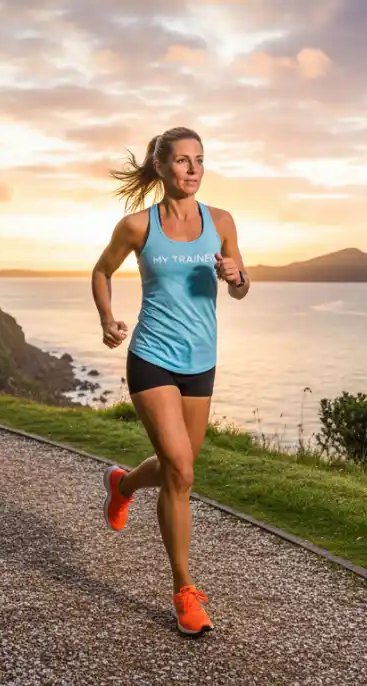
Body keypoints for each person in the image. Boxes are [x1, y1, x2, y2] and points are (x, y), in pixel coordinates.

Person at [91, 126, 250, 636]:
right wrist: (107, 318)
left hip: (201, 361)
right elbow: (101, 271)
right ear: (161, 167)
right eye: (182, 161)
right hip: (152, 356)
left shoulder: (221, 222)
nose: (193, 169)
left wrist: (236, 278)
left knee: (174, 468)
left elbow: (243, 287)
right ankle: (185, 590)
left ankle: (124, 484)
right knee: (182, 469)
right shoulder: (138, 226)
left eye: (199, 160)